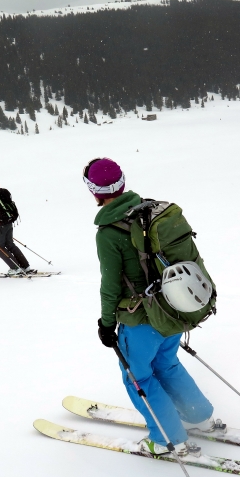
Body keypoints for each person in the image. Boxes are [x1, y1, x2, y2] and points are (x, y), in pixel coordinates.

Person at [83, 158, 221, 457]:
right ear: (121, 182)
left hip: (141, 320)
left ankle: (168, 440)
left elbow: (111, 285)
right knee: (167, 364)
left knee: (139, 377)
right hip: (174, 309)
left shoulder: (109, 233)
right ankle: (200, 417)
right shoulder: (150, 212)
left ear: (95, 191)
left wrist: (107, 324)